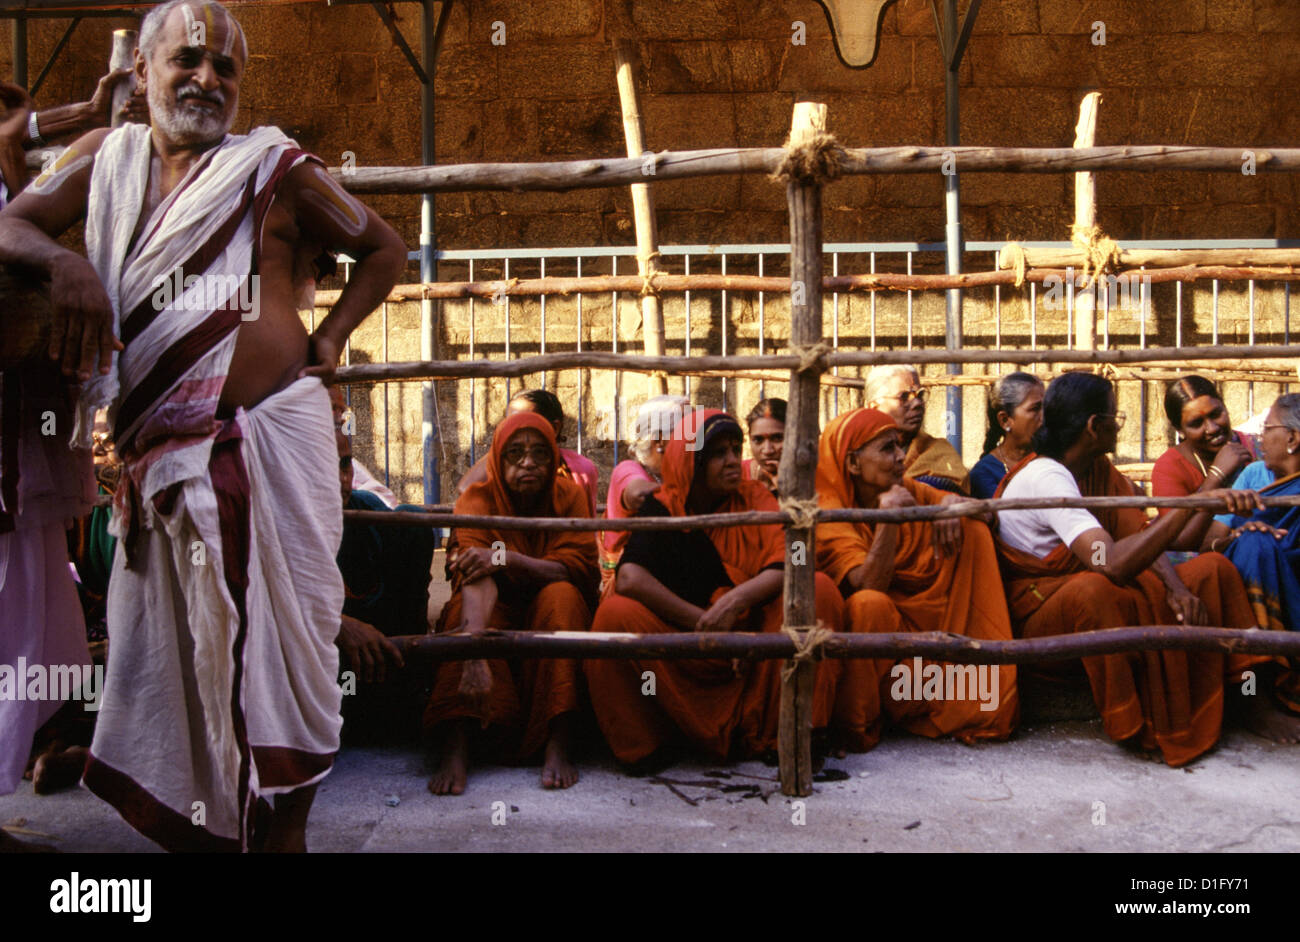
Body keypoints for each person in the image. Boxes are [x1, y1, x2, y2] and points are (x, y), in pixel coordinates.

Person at [0, 0, 408, 851]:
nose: (206, 79)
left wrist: (331, 336)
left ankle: (281, 834)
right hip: (166, 472)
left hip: (272, 444)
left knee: (287, 669)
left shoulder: (276, 167)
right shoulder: (102, 163)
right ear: (142, 73)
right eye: (187, 60)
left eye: (224, 68)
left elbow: (383, 248)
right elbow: (9, 223)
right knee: (180, 688)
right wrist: (68, 262)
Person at [993, 372, 1300, 765]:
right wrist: (1207, 498)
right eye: (1114, 418)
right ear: (1093, 426)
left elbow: (1141, 533)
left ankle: (1250, 701)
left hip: (1100, 585)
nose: (1118, 425)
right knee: (1094, 588)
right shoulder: (1046, 476)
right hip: (1043, 615)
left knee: (1211, 571)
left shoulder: (1097, 469)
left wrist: (1176, 588)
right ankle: (1135, 723)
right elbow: (1111, 562)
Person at [0, 69, 145, 850]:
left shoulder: (32, 190)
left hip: (17, 452)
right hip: (13, 448)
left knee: (21, 622)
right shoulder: (64, 169)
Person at [585, 409, 844, 768]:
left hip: (750, 651)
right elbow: (630, 578)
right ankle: (647, 743)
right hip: (689, 645)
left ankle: (789, 733)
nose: (733, 462)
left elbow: (794, 560)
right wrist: (707, 623)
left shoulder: (755, 498)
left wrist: (736, 601)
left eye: (736, 451)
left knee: (817, 588)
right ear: (692, 460)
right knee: (615, 615)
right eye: (719, 454)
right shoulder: (662, 507)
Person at [815, 408, 1018, 751]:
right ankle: (858, 723)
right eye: (887, 449)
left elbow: (986, 512)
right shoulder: (828, 511)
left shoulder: (907, 488)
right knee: (869, 605)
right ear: (852, 464)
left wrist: (954, 504)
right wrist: (890, 520)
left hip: (920, 656)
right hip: (868, 655)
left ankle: (952, 692)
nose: (900, 458)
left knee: (972, 530)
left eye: (899, 446)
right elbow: (868, 586)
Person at [425, 411, 598, 795]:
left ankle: (559, 741)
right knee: (458, 613)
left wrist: (504, 558)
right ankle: (457, 747)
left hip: (546, 600)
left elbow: (573, 569)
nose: (528, 463)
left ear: (554, 459)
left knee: (563, 598)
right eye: (515, 453)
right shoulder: (477, 499)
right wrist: (475, 654)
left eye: (539, 453)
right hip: (492, 603)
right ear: (498, 460)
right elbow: (473, 574)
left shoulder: (568, 496)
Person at [1217, 395, 1300, 713]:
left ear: (1291, 438)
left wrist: (1258, 545)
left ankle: (1257, 699)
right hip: (1249, 597)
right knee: (1253, 544)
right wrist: (1240, 535)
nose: (1259, 438)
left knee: (1257, 546)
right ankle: (1253, 697)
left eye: (1267, 429)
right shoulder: (1255, 481)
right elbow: (1210, 543)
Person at [1152, 375, 1257, 552]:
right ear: (1179, 430)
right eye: (1196, 423)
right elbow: (1181, 542)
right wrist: (1216, 477)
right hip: (1203, 558)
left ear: (1225, 407)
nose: (1212, 428)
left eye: (1216, 414)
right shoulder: (1169, 467)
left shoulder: (1258, 448)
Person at [599, 394, 689, 595]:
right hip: (632, 588)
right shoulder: (628, 469)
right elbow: (639, 494)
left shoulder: (673, 475)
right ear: (660, 441)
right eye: (687, 430)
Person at [458, 388, 598, 514]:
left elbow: (582, 524)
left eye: (526, 422)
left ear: (554, 428)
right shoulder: (502, 463)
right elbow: (466, 492)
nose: (515, 429)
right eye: (510, 423)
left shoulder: (579, 469)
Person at [865, 364, 969, 494]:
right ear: (874, 407)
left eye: (920, 396)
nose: (917, 403)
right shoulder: (858, 452)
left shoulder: (939, 452)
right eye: (903, 397)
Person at [970, 373, 1043, 500]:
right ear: (1005, 420)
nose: (1044, 417)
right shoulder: (984, 473)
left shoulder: (1049, 459)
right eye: (1035, 409)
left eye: (1045, 407)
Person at [743, 397, 785, 496]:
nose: (768, 450)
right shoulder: (736, 476)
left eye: (778, 438)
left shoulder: (812, 479)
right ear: (749, 438)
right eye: (758, 440)